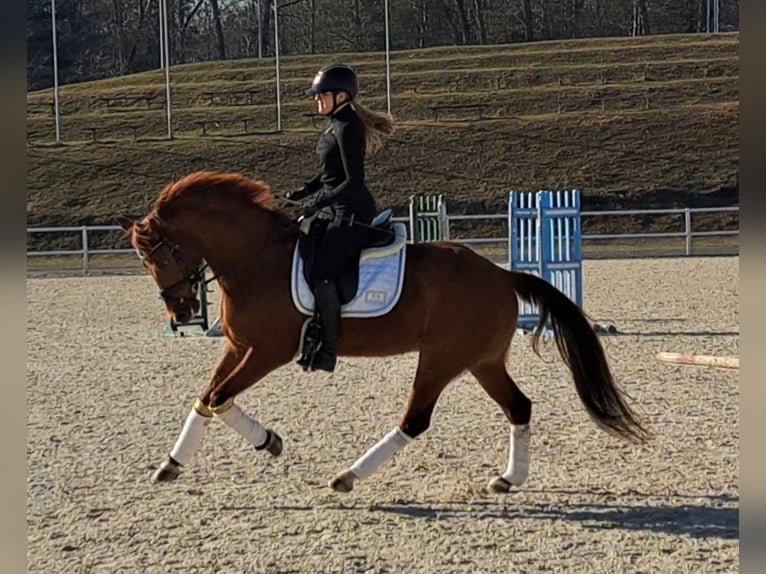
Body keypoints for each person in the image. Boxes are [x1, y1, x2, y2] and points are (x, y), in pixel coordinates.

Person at [286, 63, 395, 373]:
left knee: (323, 271)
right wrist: (303, 192)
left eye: (322, 95)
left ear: (341, 95)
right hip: (333, 207)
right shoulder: (334, 124)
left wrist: (314, 204)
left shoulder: (349, 128)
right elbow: (329, 175)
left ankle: (327, 347)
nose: (316, 100)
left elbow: (352, 182)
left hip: (351, 212)